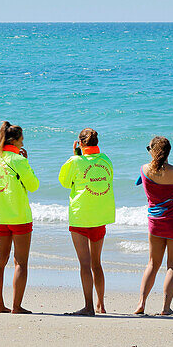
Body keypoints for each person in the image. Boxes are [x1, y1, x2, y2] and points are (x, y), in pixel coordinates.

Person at [59, 128, 115, 315]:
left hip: (81, 216)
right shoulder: (106, 159)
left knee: (85, 264)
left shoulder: (75, 161)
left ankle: (89, 306)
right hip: (99, 216)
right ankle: (101, 304)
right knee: (96, 263)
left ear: (80, 144)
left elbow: (65, 182)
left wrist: (76, 156)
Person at [0, 121, 39, 314]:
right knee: (21, 263)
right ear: (15, 140)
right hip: (19, 216)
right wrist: (26, 162)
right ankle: (16, 307)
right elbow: (33, 185)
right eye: (22, 140)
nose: (23, 144)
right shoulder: (19, 160)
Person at [134, 136, 173, 316]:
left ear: (152, 151)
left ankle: (141, 304)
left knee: (152, 264)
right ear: (168, 152)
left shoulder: (144, 170)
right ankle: (166, 308)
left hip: (155, 222)